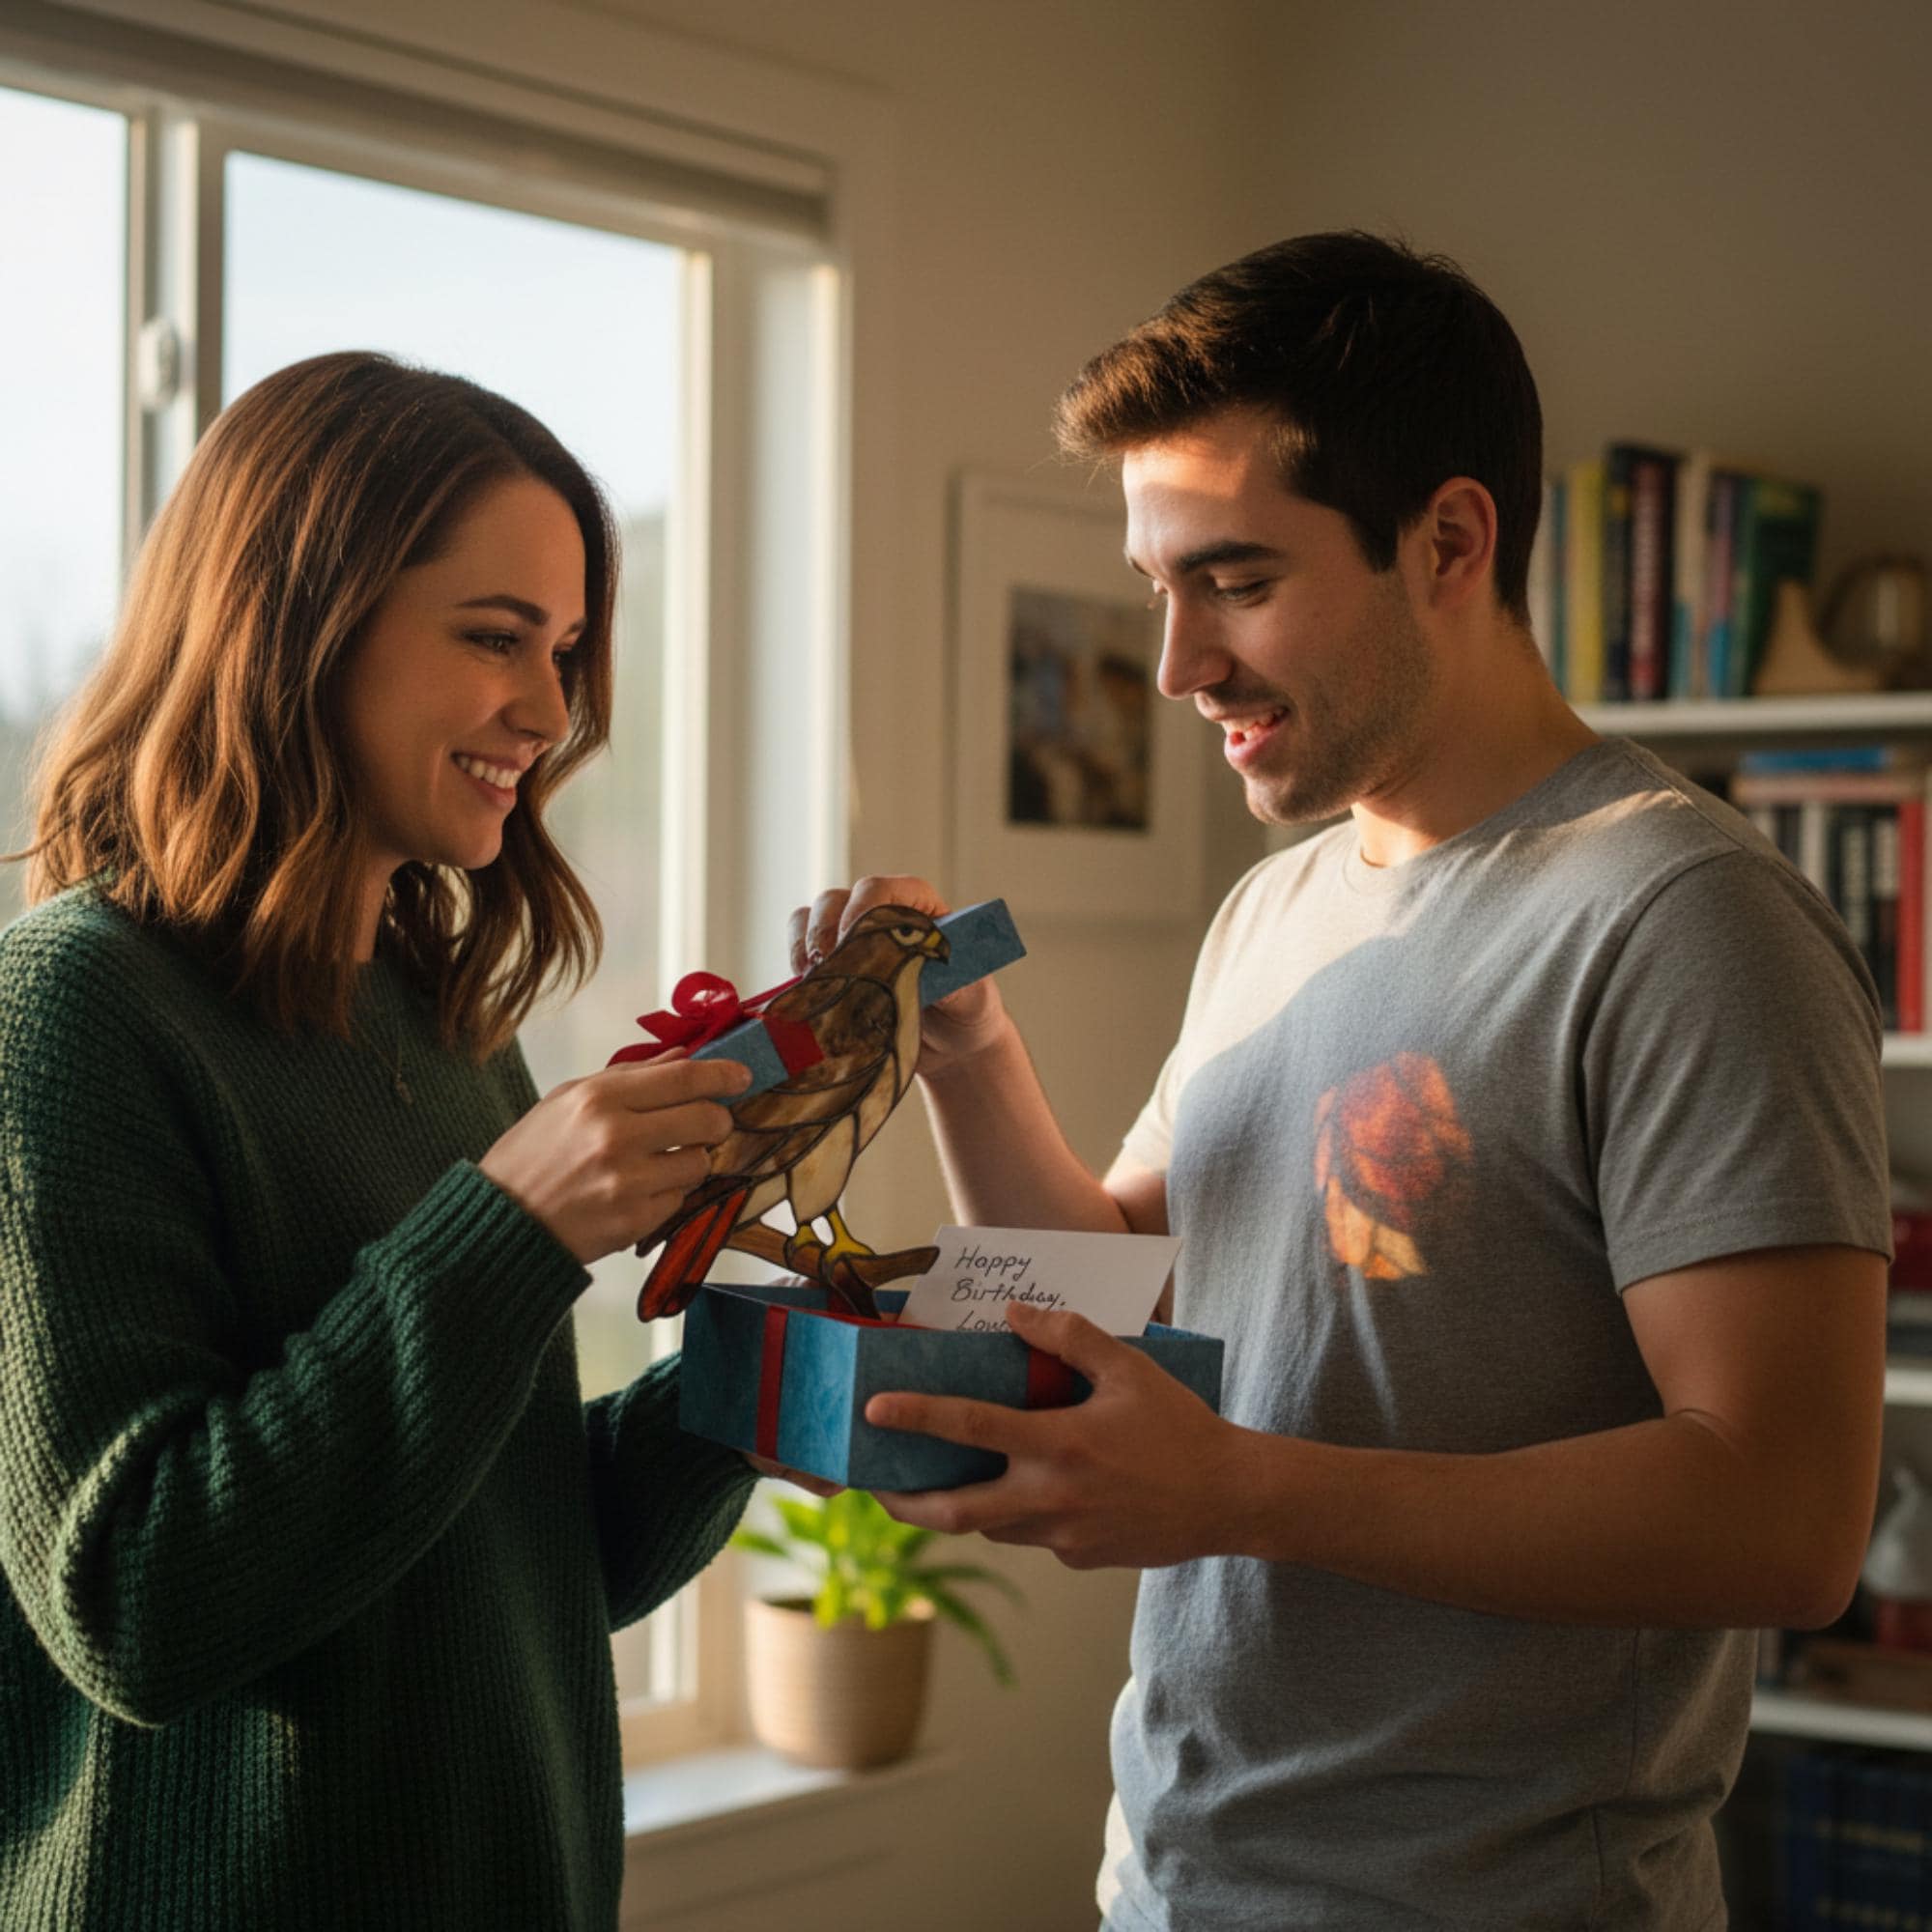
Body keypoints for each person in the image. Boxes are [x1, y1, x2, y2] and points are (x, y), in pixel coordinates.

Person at [795, 233, 1891, 1928]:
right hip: (1171, 1886)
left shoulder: (1686, 920)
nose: (1175, 667)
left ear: (1450, 540)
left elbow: (1784, 1514)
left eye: (1233, 580)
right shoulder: (1279, 906)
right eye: (1160, 587)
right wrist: (968, 1054)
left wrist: (1242, 1488)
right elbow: (1110, 1278)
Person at [0, 352, 762, 1930]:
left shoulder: (439, 1020)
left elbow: (510, 1566)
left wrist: (764, 1376)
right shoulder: (64, 1014)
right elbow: (139, 1607)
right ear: (297, 623)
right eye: (496, 638)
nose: (550, 711)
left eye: (564, 649)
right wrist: (511, 1228)